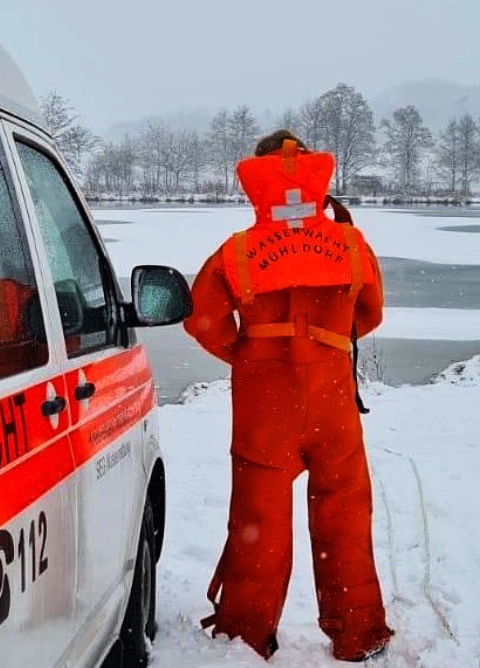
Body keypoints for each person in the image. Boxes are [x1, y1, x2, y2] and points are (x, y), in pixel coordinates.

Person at [183, 130, 394, 662]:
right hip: (333, 403)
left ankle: (245, 635)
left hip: (264, 410)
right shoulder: (350, 243)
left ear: (257, 181)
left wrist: (248, 354)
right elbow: (370, 314)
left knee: (259, 524)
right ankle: (358, 632)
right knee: (345, 516)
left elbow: (202, 319)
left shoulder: (237, 251)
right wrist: (327, 340)